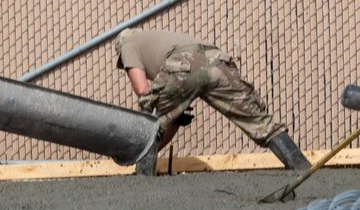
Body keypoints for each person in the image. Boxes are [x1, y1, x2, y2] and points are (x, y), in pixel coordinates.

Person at [113, 27, 309, 170]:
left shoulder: (128, 43)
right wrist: (172, 116)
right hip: (216, 61)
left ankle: (143, 179)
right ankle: (301, 167)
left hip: (182, 63)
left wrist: (141, 147)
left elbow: (142, 89)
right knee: (259, 121)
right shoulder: (157, 38)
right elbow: (169, 120)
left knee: (149, 116)